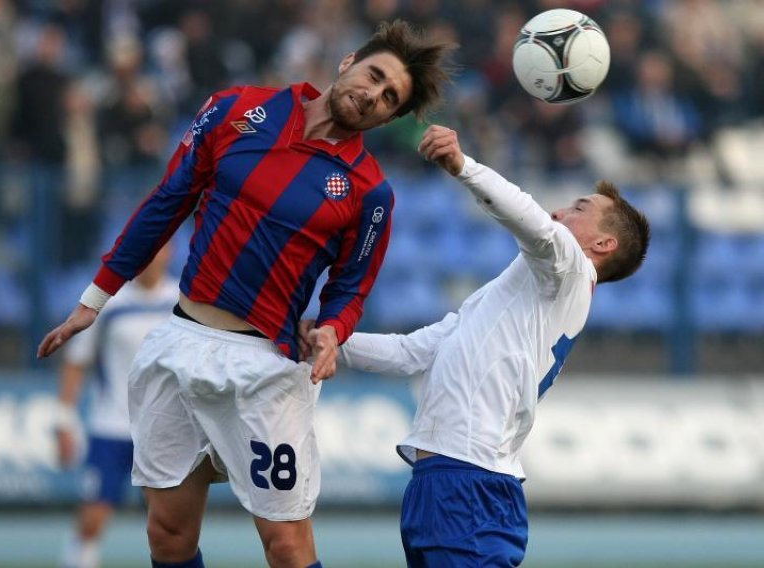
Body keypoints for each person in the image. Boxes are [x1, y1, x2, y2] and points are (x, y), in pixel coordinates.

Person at [38, 20, 457, 568]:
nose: (372, 95)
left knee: (284, 546)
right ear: (347, 61)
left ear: (388, 117)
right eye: (374, 76)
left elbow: (351, 287)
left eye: (389, 99)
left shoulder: (369, 190)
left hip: (264, 368)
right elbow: (168, 202)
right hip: (181, 343)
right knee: (167, 534)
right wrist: (93, 300)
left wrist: (333, 329)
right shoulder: (235, 107)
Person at [314, 124, 650, 567]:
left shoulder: (571, 273)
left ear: (602, 244)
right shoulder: (509, 300)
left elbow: (537, 226)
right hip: (440, 480)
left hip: (469, 481)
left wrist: (462, 166)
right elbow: (410, 352)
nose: (559, 211)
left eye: (579, 207)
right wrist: (327, 337)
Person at [55, 245, 179, 568]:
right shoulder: (108, 303)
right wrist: (64, 420)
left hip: (162, 431)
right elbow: (76, 361)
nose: (152, 256)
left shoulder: (182, 302)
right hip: (111, 425)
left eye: (161, 249)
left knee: (168, 528)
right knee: (93, 518)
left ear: (171, 252)